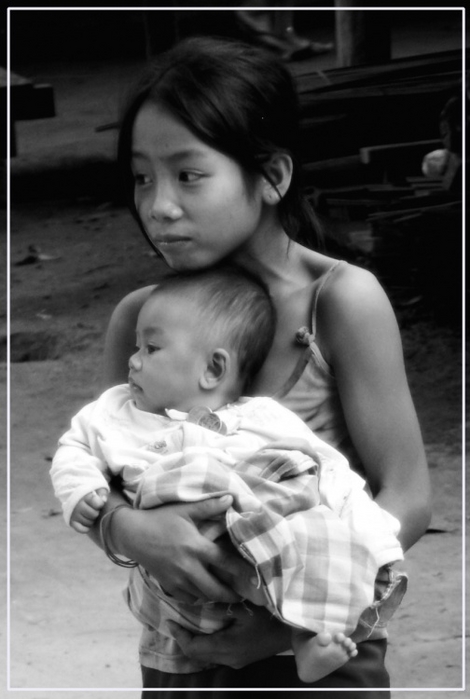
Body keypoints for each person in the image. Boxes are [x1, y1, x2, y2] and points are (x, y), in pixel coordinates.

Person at [87, 36, 431, 694]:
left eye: (188, 175)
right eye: (142, 177)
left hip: (322, 658)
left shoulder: (339, 302)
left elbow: (406, 497)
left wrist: (284, 625)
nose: (159, 205)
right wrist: (129, 529)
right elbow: (104, 481)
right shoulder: (140, 321)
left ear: (272, 175)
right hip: (181, 659)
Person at [50, 266, 407, 685]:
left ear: (214, 369)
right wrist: (85, 492)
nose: (132, 361)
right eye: (136, 347)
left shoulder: (260, 417)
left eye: (151, 349)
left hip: (260, 552)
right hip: (181, 589)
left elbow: (325, 467)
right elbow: (74, 449)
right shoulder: (114, 412)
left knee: (308, 517)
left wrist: (369, 529)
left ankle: (306, 636)